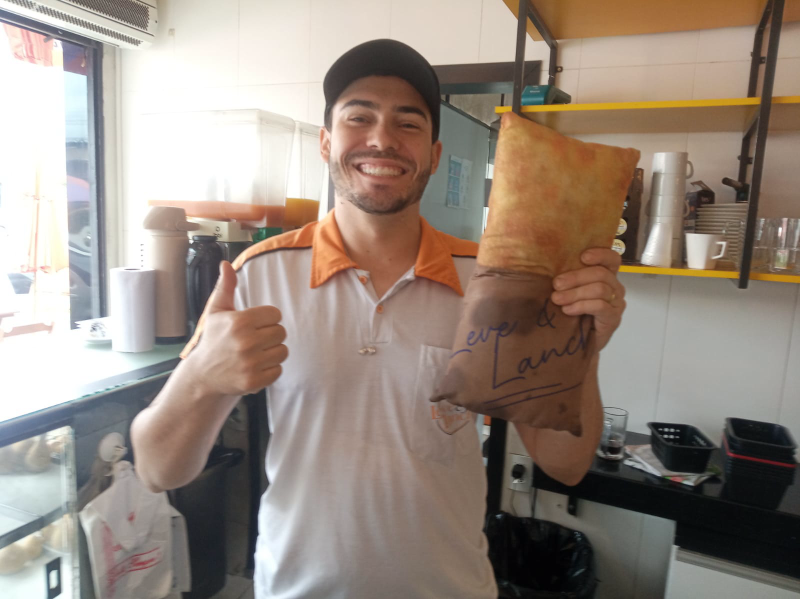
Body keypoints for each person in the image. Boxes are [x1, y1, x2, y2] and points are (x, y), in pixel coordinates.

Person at [131, 39, 627, 599]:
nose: (382, 139)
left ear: (434, 155)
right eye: (359, 117)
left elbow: (565, 465)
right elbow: (156, 469)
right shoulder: (257, 274)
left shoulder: (492, 282)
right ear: (325, 142)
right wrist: (200, 379)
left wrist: (586, 347)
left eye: (407, 123)